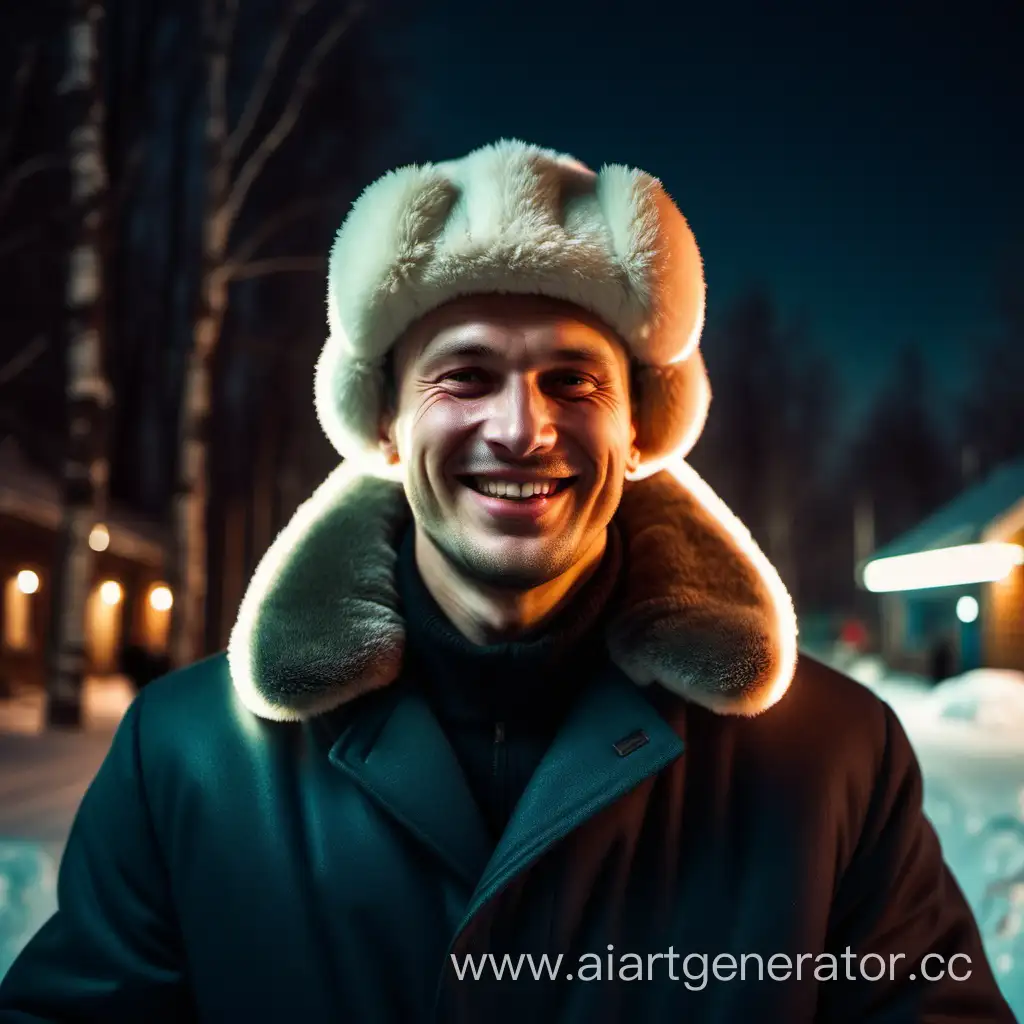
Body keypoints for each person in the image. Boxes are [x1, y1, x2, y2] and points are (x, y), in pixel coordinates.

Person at [0, 140, 1013, 1023]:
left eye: (574, 380)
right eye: (465, 375)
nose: (522, 429)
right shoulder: (189, 760)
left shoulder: (829, 760)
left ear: (639, 427)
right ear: (386, 424)